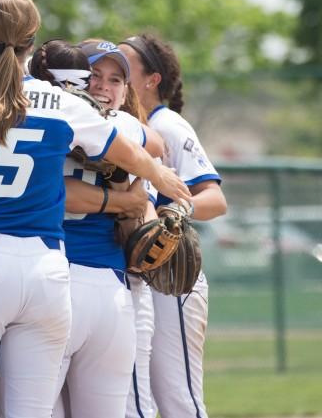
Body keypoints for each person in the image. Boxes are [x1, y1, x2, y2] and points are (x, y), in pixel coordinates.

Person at [0, 0, 191, 417]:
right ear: (32, 41)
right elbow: (132, 149)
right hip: (47, 272)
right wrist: (161, 178)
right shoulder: (63, 102)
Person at [28, 39, 150, 417]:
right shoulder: (122, 128)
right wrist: (127, 201)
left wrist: (137, 210)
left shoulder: (50, 116)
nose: (103, 86)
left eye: (115, 80)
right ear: (76, 76)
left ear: (126, 91)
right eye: (95, 75)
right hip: (89, 287)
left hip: (80, 281)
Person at [119, 33, 228, 417]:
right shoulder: (124, 125)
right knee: (140, 396)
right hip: (140, 278)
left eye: (125, 62)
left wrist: (177, 212)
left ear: (152, 79)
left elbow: (215, 199)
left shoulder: (168, 125)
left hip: (172, 278)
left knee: (177, 398)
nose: (115, 66)